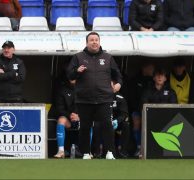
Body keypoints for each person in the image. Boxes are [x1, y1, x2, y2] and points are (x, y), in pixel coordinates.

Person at [67, 32, 122, 160]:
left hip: (104, 98)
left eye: (96, 40)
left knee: (107, 126)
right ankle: (86, 153)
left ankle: (109, 152)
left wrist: (119, 84)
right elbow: (69, 75)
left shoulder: (108, 57)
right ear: (87, 43)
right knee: (85, 127)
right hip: (84, 99)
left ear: (99, 42)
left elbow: (118, 74)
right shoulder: (78, 57)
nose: (94, 42)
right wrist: (77, 71)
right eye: (91, 40)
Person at [121, 60, 154, 157]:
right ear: (144, 68)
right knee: (136, 121)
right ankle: (139, 147)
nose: (153, 71)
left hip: (151, 110)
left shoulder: (153, 81)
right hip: (137, 109)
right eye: (151, 68)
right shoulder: (134, 81)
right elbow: (131, 98)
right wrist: (140, 109)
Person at [92, 90, 132, 158]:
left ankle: (123, 151)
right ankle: (97, 152)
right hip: (103, 121)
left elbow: (124, 113)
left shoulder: (120, 97)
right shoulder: (99, 96)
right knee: (96, 125)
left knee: (126, 125)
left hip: (116, 123)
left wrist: (117, 121)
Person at [48, 78, 80, 158]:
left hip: (81, 119)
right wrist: (70, 115)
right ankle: (61, 150)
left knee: (90, 121)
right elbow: (59, 109)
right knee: (61, 120)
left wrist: (79, 116)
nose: (73, 78)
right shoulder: (62, 90)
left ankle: (88, 152)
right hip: (69, 119)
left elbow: (89, 107)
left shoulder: (85, 89)